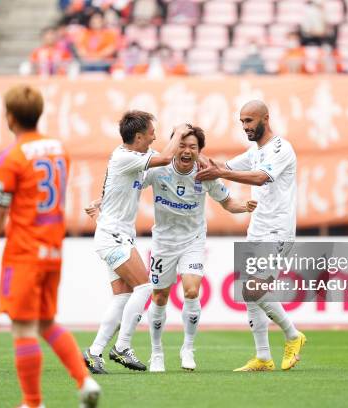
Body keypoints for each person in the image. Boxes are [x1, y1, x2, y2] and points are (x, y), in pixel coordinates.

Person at [86, 126, 257, 372]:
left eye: (193, 147)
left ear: (199, 151)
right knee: (158, 296)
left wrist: (246, 206)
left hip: (193, 240)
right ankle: (156, 353)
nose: (187, 151)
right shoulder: (158, 168)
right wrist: (101, 202)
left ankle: (187, 348)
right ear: (175, 147)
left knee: (190, 290)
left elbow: (228, 203)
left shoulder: (206, 172)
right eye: (182, 146)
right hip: (163, 243)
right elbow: (129, 184)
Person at [0, 85, 100, 408]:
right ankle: (85, 382)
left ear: (10, 118)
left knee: (23, 327)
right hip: (53, 250)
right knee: (46, 322)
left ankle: (32, 402)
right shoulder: (59, 150)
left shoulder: (11, 158)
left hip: (24, 251)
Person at [196, 100, 306, 372]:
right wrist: (190, 152)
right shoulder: (255, 151)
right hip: (257, 227)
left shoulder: (281, 148)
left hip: (277, 229)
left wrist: (222, 172)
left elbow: (260, 178)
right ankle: (263, 357)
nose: (245, 126)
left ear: (265, 119)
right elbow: (222, 165)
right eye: (242, 121)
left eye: (249, 121)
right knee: (249, 292)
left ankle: (293, 335)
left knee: (252, 289)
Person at [83, 112, 191, 373]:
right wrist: (179, 132)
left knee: (122, 297)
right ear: (139, 136)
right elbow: (166, 158)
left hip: (113, 234)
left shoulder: (127, 158)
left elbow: (123, 187)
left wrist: (100, 205)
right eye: (152, 133)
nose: (155, 136)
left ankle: (94, 352)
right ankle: (122, 347)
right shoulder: (126, 157)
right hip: (114, 236)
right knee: (145, 287)